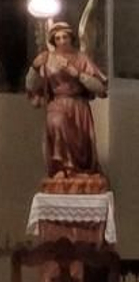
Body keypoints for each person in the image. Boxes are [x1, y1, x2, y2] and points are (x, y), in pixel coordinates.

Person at [25, 21, 107, 182]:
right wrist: (34, 68)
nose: (62, 41)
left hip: (78, 106)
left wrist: (76, 73)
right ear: (53, 41)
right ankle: (61, 167)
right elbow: (31, 86)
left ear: (71, 38)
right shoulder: (47, 60)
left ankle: (79, 169)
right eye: (58, 38)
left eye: (65, 37)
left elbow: (100, 87)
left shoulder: (81, 58)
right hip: (57, 103)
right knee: (56, 123)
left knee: (80, 145)